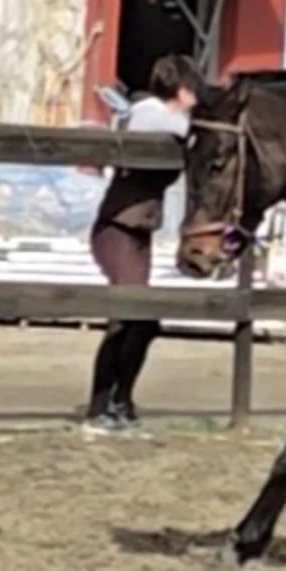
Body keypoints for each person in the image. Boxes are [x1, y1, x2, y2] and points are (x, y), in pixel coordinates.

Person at [82, 53, 204, 434]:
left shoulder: (168, 118)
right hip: (117, 227)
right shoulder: (150, 112)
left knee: (142, 320)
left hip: (139, 231)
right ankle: (102, 406)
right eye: (193, 89)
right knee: (131, 315)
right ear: (182, 90)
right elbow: (186, 132)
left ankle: (120, 401)